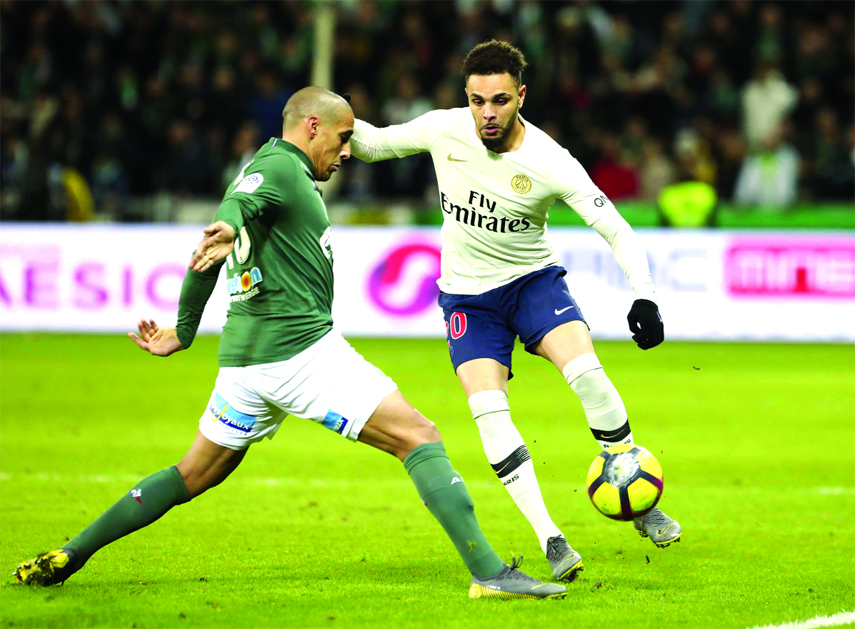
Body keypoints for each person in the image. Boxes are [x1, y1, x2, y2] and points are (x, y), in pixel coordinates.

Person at [14, 87, 566, 601]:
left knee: (192, 473)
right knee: (418, 437)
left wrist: (184, 330)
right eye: (343, 138)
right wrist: (228, 228)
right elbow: (227, 221)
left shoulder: (268, 167)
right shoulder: (279, 167)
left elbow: (213, 247)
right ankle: (490, 573)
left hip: (244, 363)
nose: (348, 151)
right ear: (311, 127)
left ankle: (71, 552)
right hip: (299, 353)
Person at [350, 41, 681, 583]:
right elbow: (372, 143)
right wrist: (324, 113)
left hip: (531, 283)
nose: (487, 112)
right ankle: (550, 537)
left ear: (521, 96)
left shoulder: (550, 160)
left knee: (587, 374)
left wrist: (643, 293)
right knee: (489, 411)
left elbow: (615, 228)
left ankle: (639, 501)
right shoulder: (443, 129)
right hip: (467, 299)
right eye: (478, 100)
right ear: (466, 96)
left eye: (500, 100)